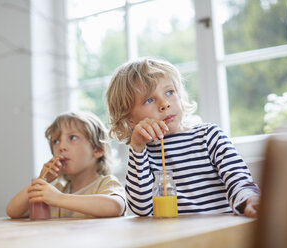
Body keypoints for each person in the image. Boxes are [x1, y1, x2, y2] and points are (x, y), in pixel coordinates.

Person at [106, 57, 260, 217]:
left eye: (169, 92)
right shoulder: (143, 155)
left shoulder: (209, 137)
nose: (164, 104)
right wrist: (137, 149)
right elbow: (141, 209)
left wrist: (250, 200)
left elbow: (238, 179)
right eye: (149, 100)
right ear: (130, 119)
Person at [6, 111, 126, 218]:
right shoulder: (56, 189)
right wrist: (42, 179)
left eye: (73, 138)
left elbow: (115, 207)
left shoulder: (105, 184)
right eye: (56, 141)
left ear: (97, 149)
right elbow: (12, 211)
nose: (61, 147)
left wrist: (58, 198)